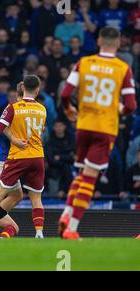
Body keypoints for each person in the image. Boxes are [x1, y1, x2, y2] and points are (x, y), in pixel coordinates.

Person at [59, 27, 137, 240]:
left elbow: (65, 93)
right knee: (91, 178)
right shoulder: (123, 68)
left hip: (83, 125)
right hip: (105, 128)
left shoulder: (84, 63)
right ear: (118, 43)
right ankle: (72, 229)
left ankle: (66, 214)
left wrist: (67, 109)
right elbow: (130, 105)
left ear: (99, 41)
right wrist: (119, 109)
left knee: (83, 172)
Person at [0, 75, 47, 238]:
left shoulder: (13, 108)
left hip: (18, 156)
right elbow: (39, 132)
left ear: (23, 89)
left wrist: (14, 137)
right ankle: (39, 233)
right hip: (37, 155)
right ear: (37, 89)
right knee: (36, 197)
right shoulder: (42, 109)